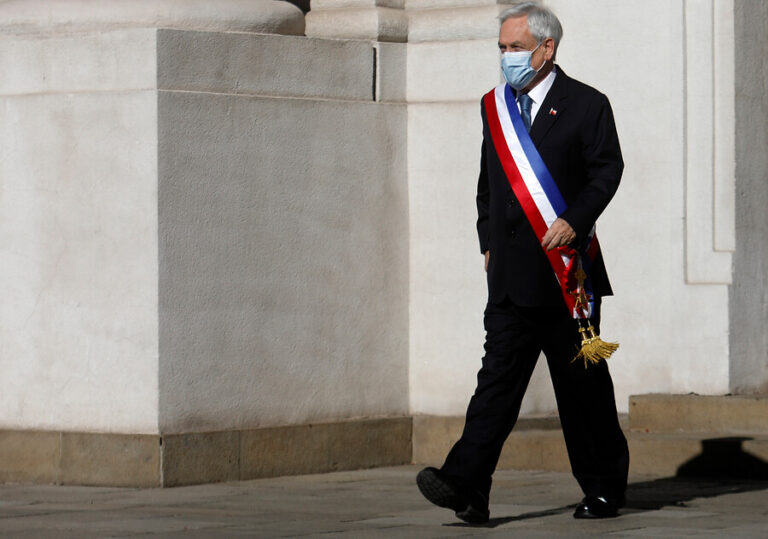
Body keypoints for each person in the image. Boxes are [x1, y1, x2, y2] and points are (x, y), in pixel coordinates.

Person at [416, 2, 630, 524]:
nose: (507, 57)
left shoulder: (586, 104)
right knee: (496, 382)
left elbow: (607, 171)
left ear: (546, 48)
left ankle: (603, 486)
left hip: (566, 277)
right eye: (502, 48)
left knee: (582, 388)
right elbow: (488, 184)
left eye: (515, 47)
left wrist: (575, 220)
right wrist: (486, 238)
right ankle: (467, 483)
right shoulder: (496, 108)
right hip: (511, 276)